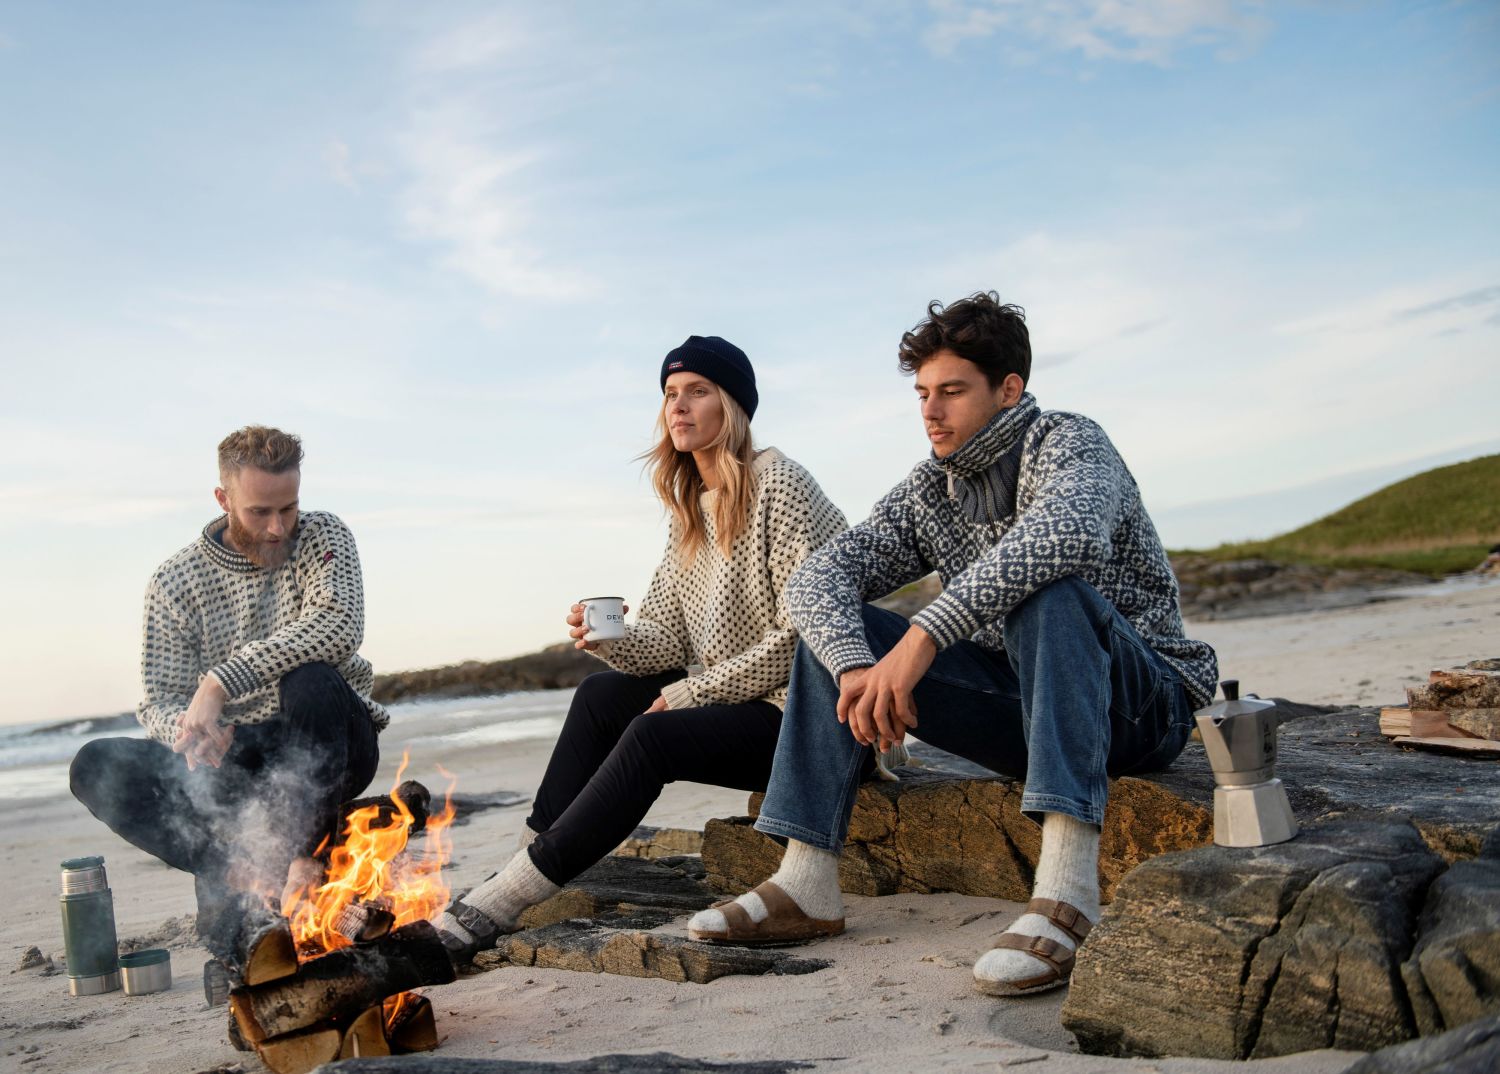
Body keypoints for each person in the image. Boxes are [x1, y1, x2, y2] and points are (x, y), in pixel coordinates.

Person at [687, 294, 1218, 997]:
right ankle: (807, 880)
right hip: (1023, 710)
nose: (931, 412)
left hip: (1141, 709)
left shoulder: (1070, 442)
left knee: (1047, 587)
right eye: (923, 394)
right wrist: (855, 664)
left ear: (1008, 390)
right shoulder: (927, 491)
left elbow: (1066, 535)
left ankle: (1066, 890)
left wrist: (923, 636)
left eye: (952, 392)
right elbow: (819, 576)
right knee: (834, 628)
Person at [434, 335, 847, 960]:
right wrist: (612, 638)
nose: (678, 408)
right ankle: (525, 860)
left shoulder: (781, 485)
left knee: (654, 735)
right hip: (742, 708)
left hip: (811, 719)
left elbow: (806, 639)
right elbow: (666, 639)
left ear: (732, 406)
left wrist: (688, 694)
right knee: (603, 695)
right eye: (670, 395)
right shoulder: (691, 509)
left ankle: (503, 900)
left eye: (697, 392)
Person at [70, 426, 385, 934]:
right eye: (260, 512)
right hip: (236, 759)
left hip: (329, 738)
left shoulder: (324, 535)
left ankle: (304, 857)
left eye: (289, 507)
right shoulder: (176, 581)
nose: (279, 527)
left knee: (309, 678)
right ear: (223, 498)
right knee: (95, 764)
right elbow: (160, 700)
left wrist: (219, 682)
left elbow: (338, 625)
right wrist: (192, 728)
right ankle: (245, 873)